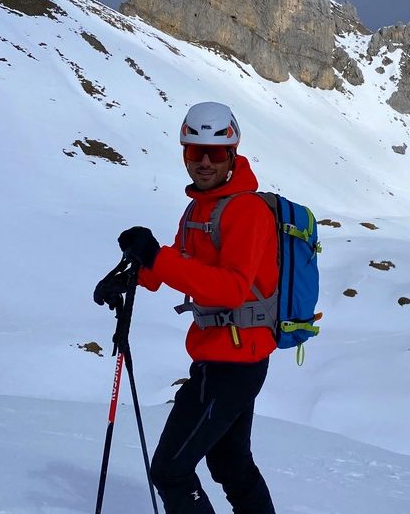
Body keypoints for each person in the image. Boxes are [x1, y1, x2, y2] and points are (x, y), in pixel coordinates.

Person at [94, 102, 278, 514]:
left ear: (232, 153)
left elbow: (231, 289)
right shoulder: (198, 209)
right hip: (220, 356)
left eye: (215, 153)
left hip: (235, 362)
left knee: (170, 470)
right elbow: (181, 265)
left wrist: (157, 257)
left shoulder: (247, 210)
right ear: (185, 154)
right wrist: (132, 275)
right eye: (196, 152)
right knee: (232, 465)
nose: (205, 162)